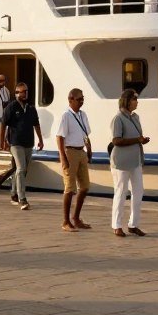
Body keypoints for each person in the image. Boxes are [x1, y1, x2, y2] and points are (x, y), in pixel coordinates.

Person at [110, 89, 148, 237]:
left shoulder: (135, 117)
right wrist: (137, 140)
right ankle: (117, 225)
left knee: (138, 191)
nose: (137, 101)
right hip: (121, 162)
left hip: (135, 160)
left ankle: (133, 224)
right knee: (120, 192)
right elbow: (116, 140)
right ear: (127, 101)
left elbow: (136, 138)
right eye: (134, 99)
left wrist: (141, 140)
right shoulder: (118, 118)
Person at [0, 82, 43, 210]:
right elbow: (3, 124)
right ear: (16, 93)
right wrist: (1, 141)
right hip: (15, 142)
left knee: (23, 171)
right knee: (21, 168)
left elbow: (36, 124)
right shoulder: (11, 107)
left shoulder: (31, 108)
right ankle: (22, 198)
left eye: (26, 91)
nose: (25, 93)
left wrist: (40, 139)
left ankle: (13, 192)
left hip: (28, 143)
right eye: (22, 91)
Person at [56, 88, 93, 232]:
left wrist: (89, 149)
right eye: (79, 99)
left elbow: (86, 134)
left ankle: (76, 218)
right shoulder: (66, 116)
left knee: (84, 187)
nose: (81, 101)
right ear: (70, 100)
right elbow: (60, 137)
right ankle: (66, 221)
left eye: (83, 98)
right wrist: (63, 157)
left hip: (81, 151)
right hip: (70, 151)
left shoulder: (83, 115)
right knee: (70, 189)